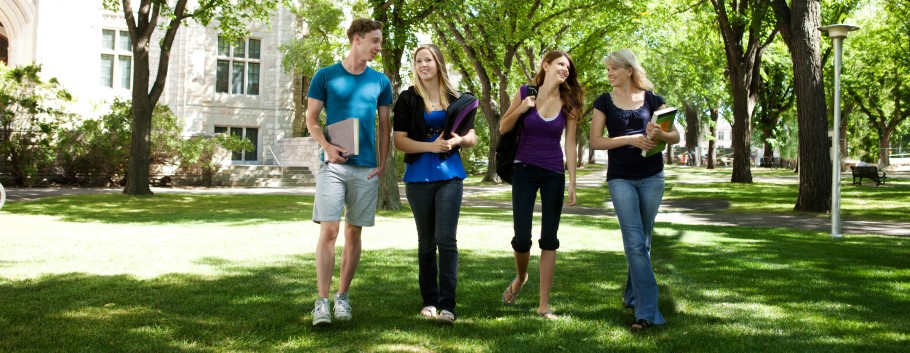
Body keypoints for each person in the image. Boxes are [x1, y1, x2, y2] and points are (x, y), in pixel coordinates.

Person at [305, 18, 393, 326]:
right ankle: (322, 301)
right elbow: (312, 119)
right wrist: (328, 147)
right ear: (357, 39)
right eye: (375, 41)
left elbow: (385, 126)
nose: (378, 47)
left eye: (380, 42)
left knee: (353, 231)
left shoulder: (381, 82)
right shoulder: (325, 76)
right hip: (333, 165)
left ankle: (342, 298)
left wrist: (383, 163)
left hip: (366, 168)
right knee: (329, 231)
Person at [589, 49, 680, 330]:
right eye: (607, 70)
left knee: (644, 244)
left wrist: (658, 135)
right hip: (621, 179)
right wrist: (630, 139)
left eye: (613, 69)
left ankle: (631, 295)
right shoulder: (604, 102)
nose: (609, 74)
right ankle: (647, 312)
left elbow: (675, 136)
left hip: (653, 176)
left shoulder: (653, 100)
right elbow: (595, 142)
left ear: (629, 70)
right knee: (635, 243)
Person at [392, 44, 478, 324]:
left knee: (446, 240)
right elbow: (399, 140)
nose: (423, 65)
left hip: (450, 175)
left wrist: (457, 140)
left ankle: (447, 306)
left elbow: (472, 137)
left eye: (428, 59)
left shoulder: (456, 97)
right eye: (418, 61)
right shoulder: (408, 98)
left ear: (438, 63)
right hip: (418, 176)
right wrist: (430, 147)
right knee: (426, 242)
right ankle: (429, 300)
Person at [498, 50, 583, 320]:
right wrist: (523, 107)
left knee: (549, 238)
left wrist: (572, 181)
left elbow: (570, 143)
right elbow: (503, 126)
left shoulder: (569, 101)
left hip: (553, 172)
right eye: (560, 64)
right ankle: (522, 276)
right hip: (523, 168)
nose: (565, 69)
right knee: (522, 237)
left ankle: (543, 304)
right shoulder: (525, 91)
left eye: (568, 67)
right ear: (545, 65)